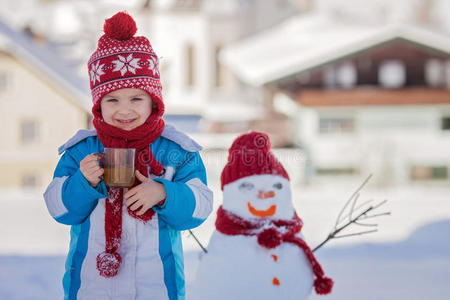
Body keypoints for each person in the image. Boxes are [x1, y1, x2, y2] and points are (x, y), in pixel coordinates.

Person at [43, 12, 213, 300]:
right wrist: (82, 182)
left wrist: (163, 193)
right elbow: (59, 208)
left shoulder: (176, 151)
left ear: (154, 101)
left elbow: (201, 207)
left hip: (157, 287)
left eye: (136, 98)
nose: (124, 110)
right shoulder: (82, 150)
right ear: (98, 105)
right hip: (90, 287)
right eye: (112, 100)